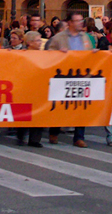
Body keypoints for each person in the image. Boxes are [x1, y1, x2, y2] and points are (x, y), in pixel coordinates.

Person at [46, 11, 96, 147]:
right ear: (70, 23)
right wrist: (58, 53)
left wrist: (95, 54)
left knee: (81, 106)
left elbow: (89, 53)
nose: (81, 23)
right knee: (61, 106)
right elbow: (48, 54)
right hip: (63, 77)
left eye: (81, 20)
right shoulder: (59, 37)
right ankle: (54, 132)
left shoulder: (85, 37)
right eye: (77, 20)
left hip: (81, 76)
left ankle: (79, 137)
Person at [16, 31, 44, 147]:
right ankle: (21, 135)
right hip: (25, 87)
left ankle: (35, 139)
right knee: (24, 112)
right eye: (37, 40)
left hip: (40, 87)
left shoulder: (45, 55)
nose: (40, 42)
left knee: (39, 113)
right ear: (30, 42)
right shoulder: (22, 54)